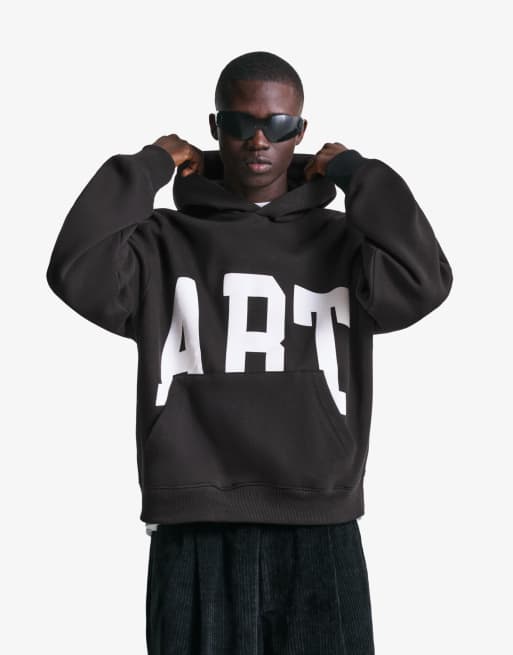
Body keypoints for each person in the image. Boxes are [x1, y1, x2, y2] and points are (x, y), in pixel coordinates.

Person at [46, 51, 453, 654]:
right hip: (194, 525)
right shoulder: (161, 244)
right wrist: (151, 163)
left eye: (279, 125)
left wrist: (358, 173)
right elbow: (75, 267)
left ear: (301, 132)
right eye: (240, 124)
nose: (259, 140)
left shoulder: (344, 243)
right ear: (216, 127)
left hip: (320, 523)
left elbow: (425, 280)